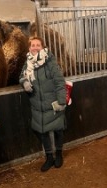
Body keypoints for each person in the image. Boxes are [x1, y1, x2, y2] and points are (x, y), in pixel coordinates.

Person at [19, 37, 68, 171]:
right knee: (42, 131)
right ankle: (49, 157)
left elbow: (59, 82)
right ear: (29, 48)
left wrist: (61, 101)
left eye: (38, 45)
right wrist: (24, 82)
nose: (35, 47)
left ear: (43, 47)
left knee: (58, 129)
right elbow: (21, 76)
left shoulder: (50, 62)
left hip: (53, 102)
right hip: (37, 104)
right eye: (32, 45)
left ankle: (58, 154)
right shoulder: (27, 62)